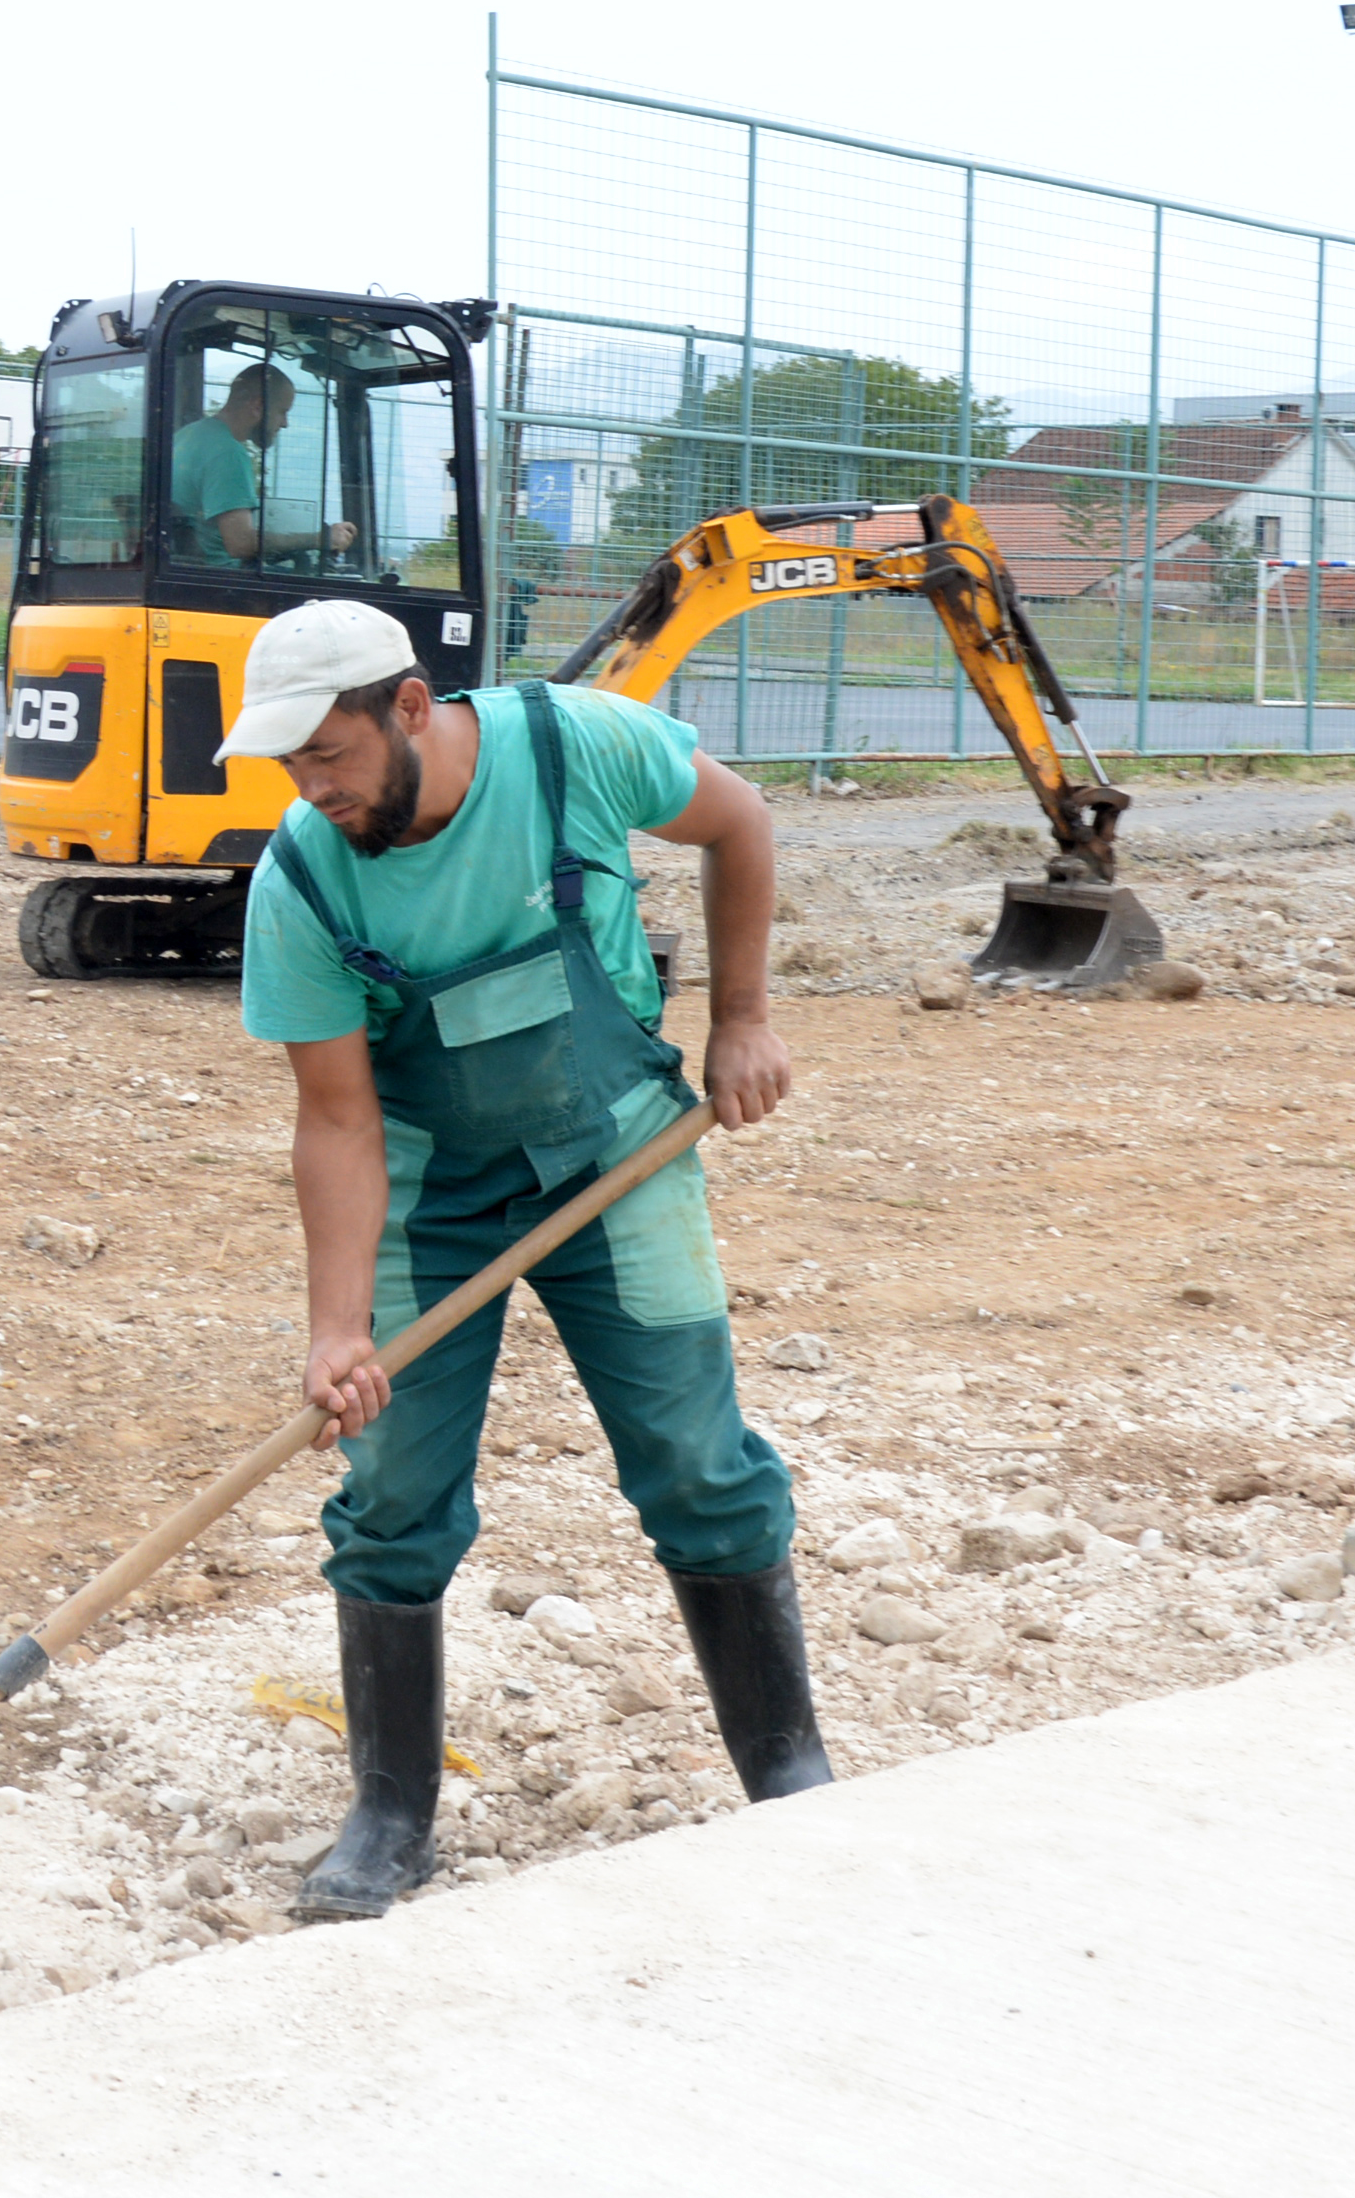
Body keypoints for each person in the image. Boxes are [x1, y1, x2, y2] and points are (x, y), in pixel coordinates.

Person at [216, 599, 827, 1921]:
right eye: (290, 768)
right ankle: (388, 1815)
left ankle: (788, 1772)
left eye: (328, 756)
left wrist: (745, 1019)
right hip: (433, 1192)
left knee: (697, 1461)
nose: (310, 791)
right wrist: (337, 1332)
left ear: (410, 710)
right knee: (390, 1492)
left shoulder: (574, 747)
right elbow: (337, 1121)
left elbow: (741, 824)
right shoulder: (304, 883)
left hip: (617, 1159)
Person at [167, 360, 360, 566]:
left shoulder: (187, 436)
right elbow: (241, 544)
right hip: (221, 580)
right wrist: (321, 538)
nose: (285, 424)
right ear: (258, 406)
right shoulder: (228, 453)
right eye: (283, 412)